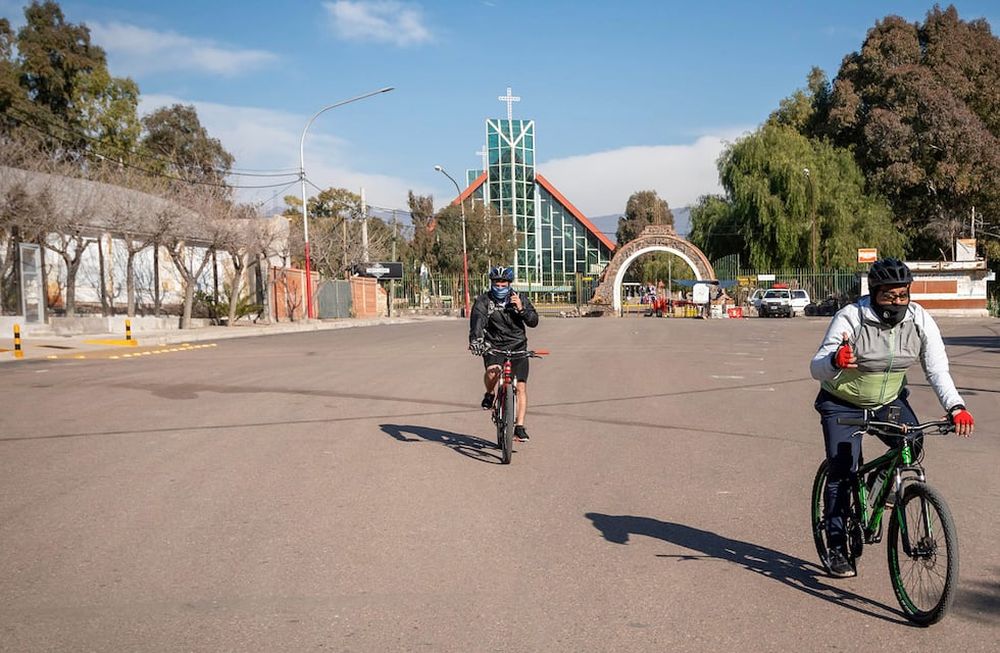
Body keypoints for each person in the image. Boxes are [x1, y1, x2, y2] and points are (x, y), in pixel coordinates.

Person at [810, 257, 974, 578]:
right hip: (842, 404)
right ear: (874, 293)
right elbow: (816, 366)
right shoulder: (851, 317)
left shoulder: (920, 320)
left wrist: (956, 406)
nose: (897, 302)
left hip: (888, 400)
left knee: (913, 440)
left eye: (903, 295)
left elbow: (937, 369)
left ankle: (877, 484)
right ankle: (837, 544)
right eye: (889, 295)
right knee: (843, 471)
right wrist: (835, 360)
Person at [469, 266, 540, 441]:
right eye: (496, 283)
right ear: (492, 283)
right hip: (494, 345)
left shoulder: (519, 297)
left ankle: (519, 426)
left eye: (503, 283)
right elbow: (477, 322)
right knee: (493, 371)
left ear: (509, 284)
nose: (500, 286)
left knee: (521, 386)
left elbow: (533, 321)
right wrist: (476, 341)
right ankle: (490, 393)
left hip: (518, 345)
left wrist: (521, 309)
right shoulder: (484, 301)